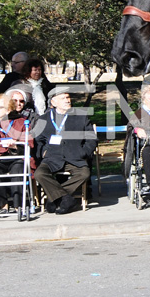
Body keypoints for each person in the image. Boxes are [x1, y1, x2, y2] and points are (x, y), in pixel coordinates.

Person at [32, 86, 97, 215]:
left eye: (68, 97)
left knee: (84, 173)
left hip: (74, 157)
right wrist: (43, 153)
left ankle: (54, 198)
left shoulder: (81, 116)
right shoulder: (43, 119)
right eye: (63, 98)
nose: (67, 100)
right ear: (53, 102)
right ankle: (66, 199)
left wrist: (83, 152)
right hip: (52, 158)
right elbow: (38, 141)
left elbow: (91, 139)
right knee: (39, 174)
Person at [0, 93, 35, 212]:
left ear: (8, 109)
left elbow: (29, 142)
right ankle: (2, 205)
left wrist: (15, 144)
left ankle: (19, 205)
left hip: (16, 156)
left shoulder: (21, 121)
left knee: (18, 169)